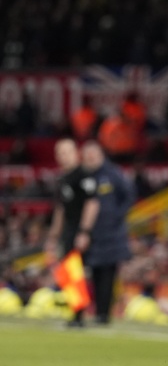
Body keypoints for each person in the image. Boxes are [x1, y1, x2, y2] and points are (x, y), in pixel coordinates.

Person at [45, 139, 100, 327]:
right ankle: (75, 312)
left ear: (76, 153)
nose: (64, 156)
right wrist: (53, 236)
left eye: (67, 152)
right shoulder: (62, 178)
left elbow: (92, 203)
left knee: (77, 271)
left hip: (81, 230)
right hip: (68, 231)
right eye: (60, 153)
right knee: (67, 271)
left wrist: (84, 231)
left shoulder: (83, 175)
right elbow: (60, 209)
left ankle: (81, 314)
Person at [81, 140, 135, 324]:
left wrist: (116, 217)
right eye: (87, 156)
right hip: (92, 234)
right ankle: (97, 311)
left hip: (111, 234)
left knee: (108, 273)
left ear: (101, 155)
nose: (90, 159)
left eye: (93, 155)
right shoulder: (86, 176)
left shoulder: (113, 174)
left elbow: (128, 195)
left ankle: (104, 313)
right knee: (94, 273)